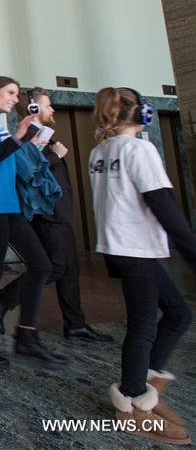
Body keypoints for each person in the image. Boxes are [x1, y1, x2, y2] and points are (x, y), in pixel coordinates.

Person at [90, 87, 193, 444]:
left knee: (178, 314)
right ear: (139, 113)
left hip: (119, 247)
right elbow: (163, 205)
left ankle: (148, 388)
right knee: (144, 323)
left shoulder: (99, 151)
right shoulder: (139, 149)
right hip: (136, 248)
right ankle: (133, 404)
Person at [0, 88, 112, 343]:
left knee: (70, 271)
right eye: (48, 105)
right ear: (33, 109)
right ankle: (3, 298)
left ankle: (76, 325)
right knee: (54, 267)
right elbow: (28, 174)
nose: (53, 110)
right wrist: (55, 156)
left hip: (60, 213)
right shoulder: (26, 138)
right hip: (47, 216)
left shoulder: (43, 136)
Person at [0, 76, 65, 365]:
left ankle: (23, 331)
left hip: (7, 203)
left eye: (17, 94)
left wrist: (27, 140)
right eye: (10, 93)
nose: (14, 99)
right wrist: (19, 136)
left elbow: (6, 157)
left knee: (41, 265)